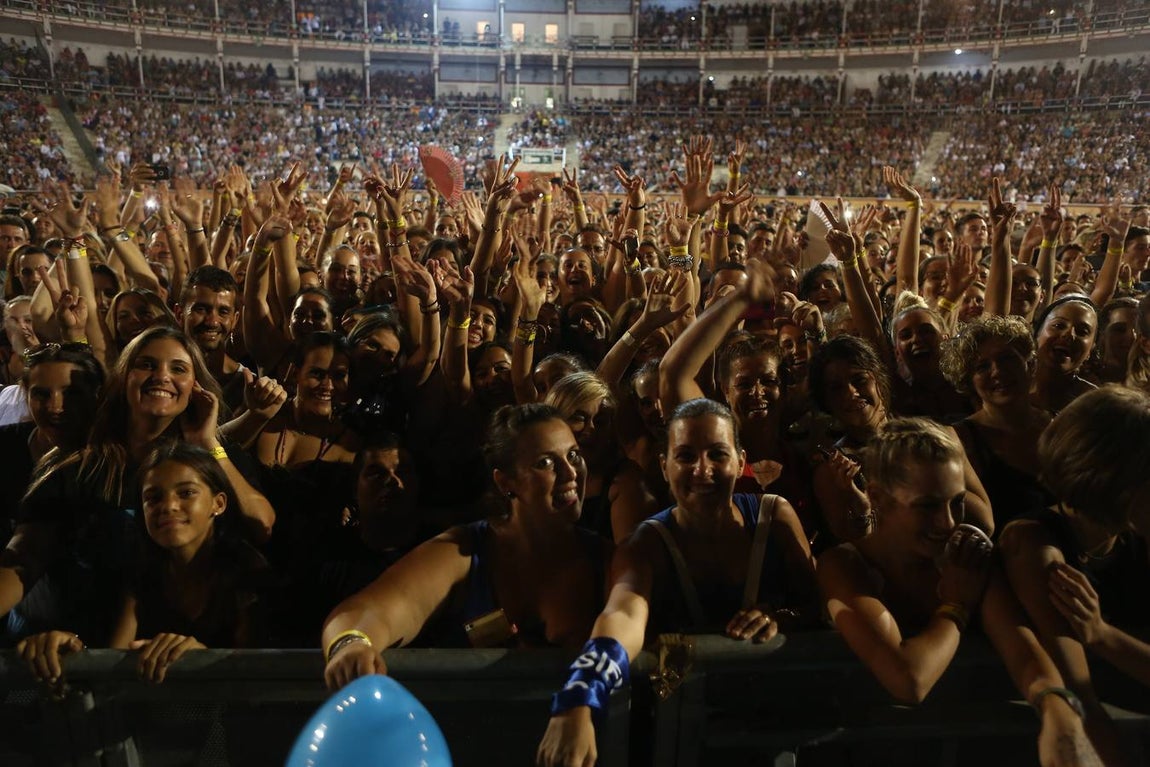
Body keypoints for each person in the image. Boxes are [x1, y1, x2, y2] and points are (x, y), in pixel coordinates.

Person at [536, 399, 817, 767]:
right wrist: (580, 695)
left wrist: (783, 618)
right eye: (685, 456)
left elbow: (818, 607)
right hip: (684, 737)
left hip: (778, 726)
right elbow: (621, 615)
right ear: (664, 467)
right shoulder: (646, 545)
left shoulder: (774, 517)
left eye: (717, 454)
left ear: (740, 459)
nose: (703, 471)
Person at [816, 418, 1099, 767]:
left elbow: (1023, 652)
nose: (948, 523)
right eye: (927, 506)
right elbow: (909, 680)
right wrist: (956, 605)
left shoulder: (964, 557)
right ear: (877, 497)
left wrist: (1058, 709)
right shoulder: (845, 565)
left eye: (957, 502)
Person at [0, 327, 275, 647]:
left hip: (179, 653)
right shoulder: (75, 466)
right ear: (123, 378)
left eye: (178, 368)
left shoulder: (216, 456)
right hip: (72, 648)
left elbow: (262, 525)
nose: (161, 376)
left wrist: (207, 443)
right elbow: (24, 556)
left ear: (194, 387)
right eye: (146, 365)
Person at [322, 404, 608, 689]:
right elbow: (369, 611)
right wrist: (351, 644)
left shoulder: (608, 559)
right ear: (505, 481)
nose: (570, 472)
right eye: (545, 462)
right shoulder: (465, 551)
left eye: (573, 456)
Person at [1000, 386, 1150, 766]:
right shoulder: (1034, 545)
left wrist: (1101, 635)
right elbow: (1083, 704)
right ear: (1110, 476)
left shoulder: (1138, 534)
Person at [940, 315, 1054, 529]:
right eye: (982, 367)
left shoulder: (1060, 424)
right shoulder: (959, 440)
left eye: (1007, 359)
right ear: (968, 380)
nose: (997, 371)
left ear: (1029, 365)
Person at [0, 342, 104, 543]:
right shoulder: (5, 443)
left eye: (71, 393)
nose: (55, 407)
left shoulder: (111, 458)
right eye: (41, 394)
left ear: (96, 395)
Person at [543, 371, 657, 542]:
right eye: (579, 418)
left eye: (601, 421)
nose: (591, 428)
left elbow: (630, 563)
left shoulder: (628, 482)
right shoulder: (541, 474)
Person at [1031, 294, 1098, 413]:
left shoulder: (1095, 404)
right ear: (1037, 335)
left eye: (1082, 332)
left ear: (1090, 351)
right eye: (1059, 325)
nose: (1069, 334)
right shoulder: (1010, 383)